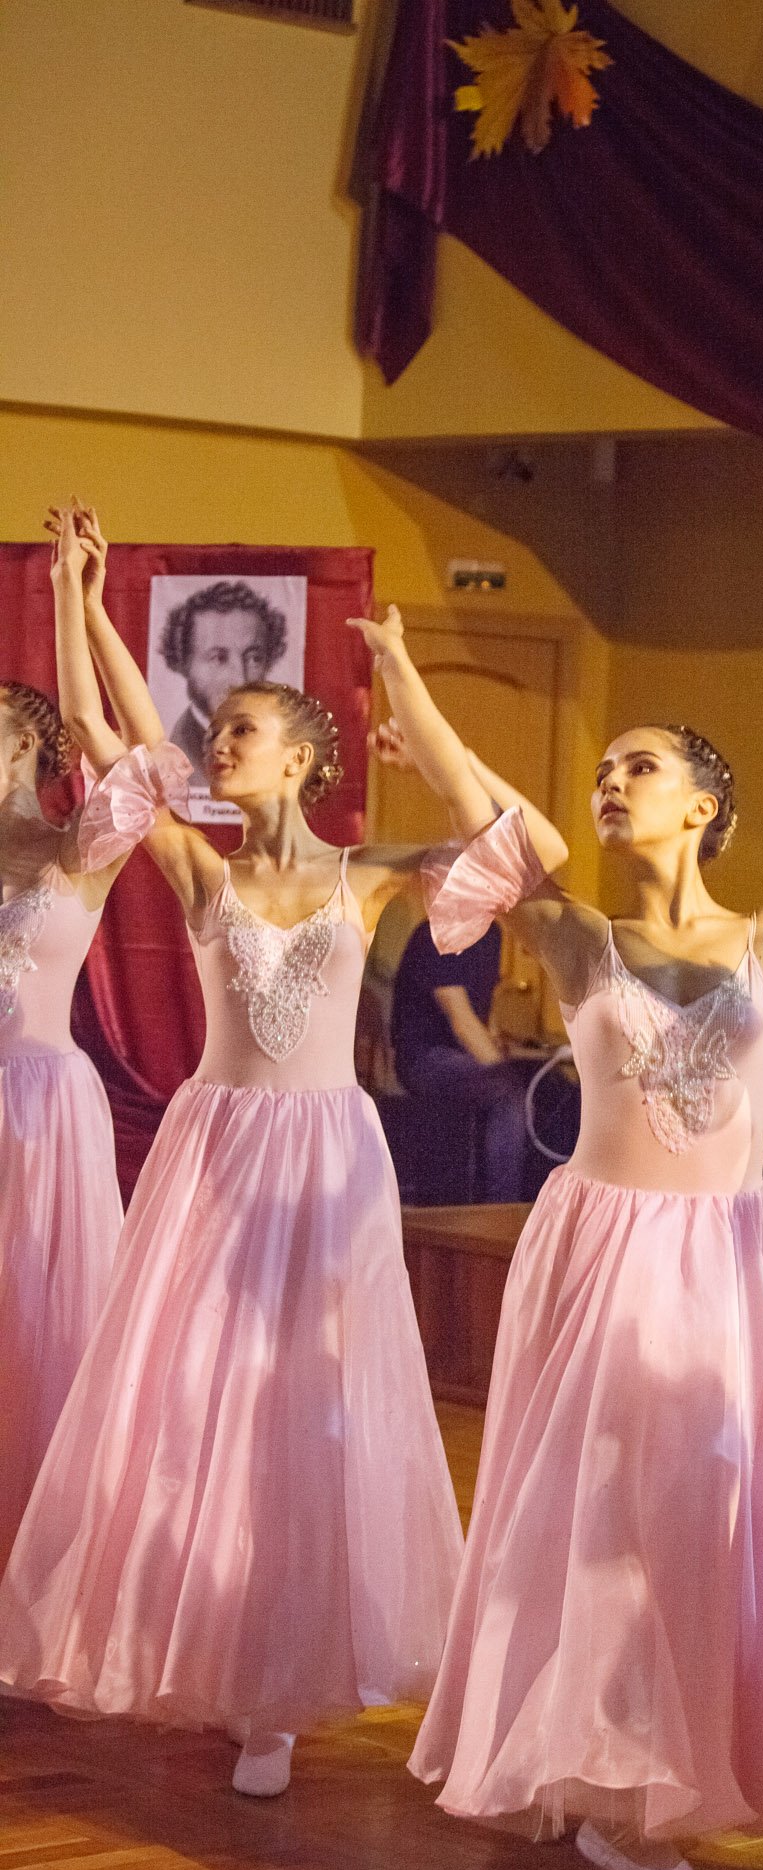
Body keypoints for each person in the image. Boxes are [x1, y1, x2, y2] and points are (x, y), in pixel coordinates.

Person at [346, 601, 763, 1870]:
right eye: (603, 767)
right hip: (602, 1251)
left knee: (698, 1516)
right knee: (590, 1517)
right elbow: (487, 820)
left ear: (704, 807)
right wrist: (402, 665)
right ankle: (597, 1781)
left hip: (723, 1258)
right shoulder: (577, 934)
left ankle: (642, 1781)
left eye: (642, 766)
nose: (612, 782)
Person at [0, 508, 566, 1798]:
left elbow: (525, 848)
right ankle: (206, 1637)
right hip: (213, 1147)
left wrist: (408, 680)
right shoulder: (198, 871)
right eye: (218, 730)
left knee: (302, 1403)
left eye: (244, 729)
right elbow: (101, 733)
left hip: (322, 1157)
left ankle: (279, 1685)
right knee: (192, 1395)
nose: (218, 742)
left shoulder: (368, 876)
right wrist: (82, 599)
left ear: (305, 761)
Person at [0, 611, 136, 1569]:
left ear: (22, 748)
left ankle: (39, 1553)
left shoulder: (77, 848)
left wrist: (73, 598)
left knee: (34, 1328)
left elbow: (127, 764)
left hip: (41, 1109)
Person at [390, 917, 533, 1202]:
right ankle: (501, 1207)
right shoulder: (441, 930)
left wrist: (499, 1044)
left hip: (455, 1055)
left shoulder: (491, 933)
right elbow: (461, 1020)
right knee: (508, 1093)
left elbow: (480, 1010)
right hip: (423, 1057)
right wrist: (503, 1067)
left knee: (546, 1084)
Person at [157, 577, 288, 775]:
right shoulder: (174, 751)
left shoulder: (275, 748)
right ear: (183, 661)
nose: (240, 679)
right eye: (218, 658)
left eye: (254, 658)